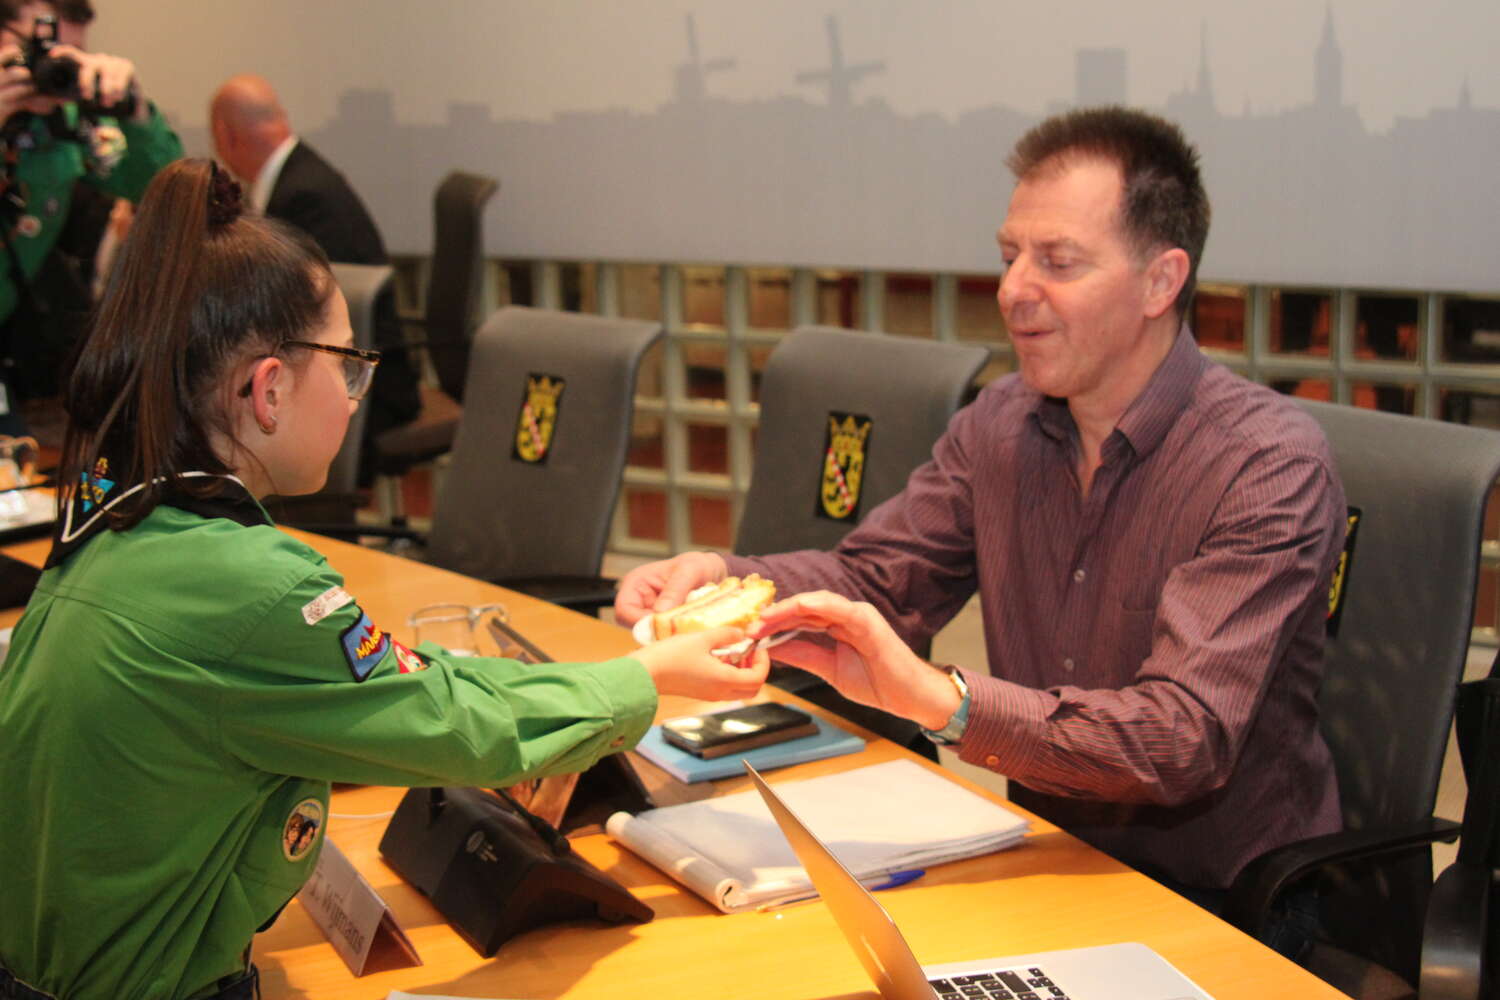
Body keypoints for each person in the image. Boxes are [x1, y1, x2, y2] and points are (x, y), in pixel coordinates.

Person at [0, 159, 770, 1000]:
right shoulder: (248, 583)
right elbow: (454, 727)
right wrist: (645, 678)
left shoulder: (117, 517)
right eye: (348, 367)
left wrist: (600, 685)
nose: (358, 396)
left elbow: (409, 684)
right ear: (267, 390)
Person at [616, 107, 1346, 940]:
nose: (1011, 291)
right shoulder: (1003, 424)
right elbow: (879, 580)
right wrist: (725, 578)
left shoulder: (1265, 464)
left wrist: (947, 703)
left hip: (1228, 907)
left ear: (1160, 282)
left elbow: (1182, 738)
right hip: (1052, 859)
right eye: (1009, 257)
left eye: (1057, 262)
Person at [209, 73, 420, 480]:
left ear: (224, 135)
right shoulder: (302, 178)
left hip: (374, 391)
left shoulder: (301, 199)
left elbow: (285, 319)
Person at [0, 0, 179, 430]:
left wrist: (133, 109)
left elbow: (163, 191)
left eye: (69, 56)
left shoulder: (64, 126)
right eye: (38, 50)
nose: (49, 68)